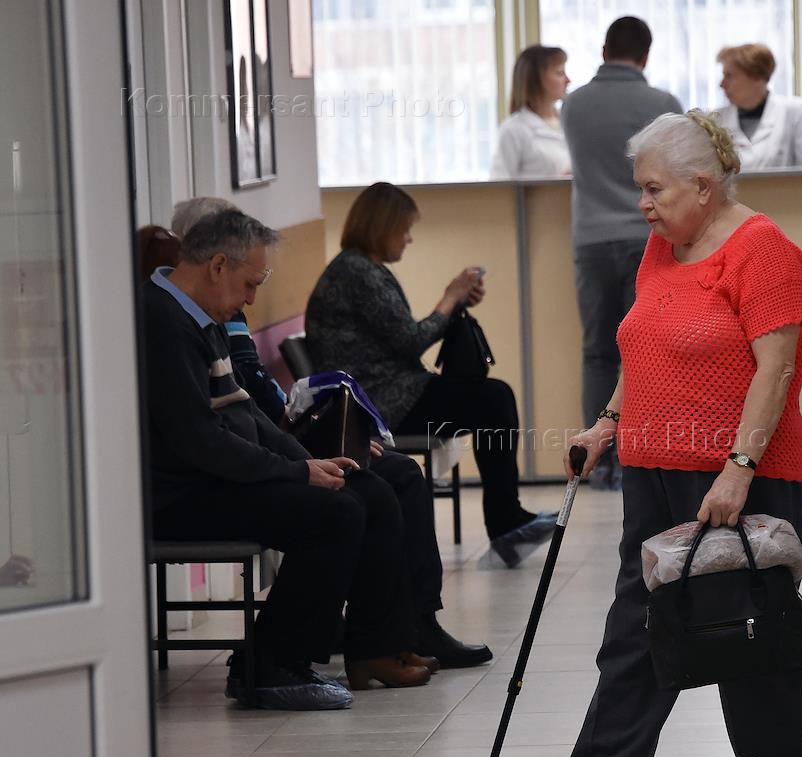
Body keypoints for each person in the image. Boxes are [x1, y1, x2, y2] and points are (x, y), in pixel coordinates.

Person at [505, 111, 802, 757]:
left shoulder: (766, 251)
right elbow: (643, 347)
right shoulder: (662, 248)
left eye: (654, 190)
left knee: (747, 635)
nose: (642, 204)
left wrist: (738, 469)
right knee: (637, 629)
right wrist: (606, 425)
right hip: (652, 474)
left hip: (738, 478)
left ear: (703, 186)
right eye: (640, 189)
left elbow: (776, 370)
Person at [165, 196, 493, 667]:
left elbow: (250, 409)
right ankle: (283, 663)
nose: (252, 300)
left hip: (249, 457)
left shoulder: (206, 315)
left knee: (387, 479)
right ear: (217, 263)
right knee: (346, 505)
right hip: (196, 490)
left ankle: (395, 635)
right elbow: (207, 438)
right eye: (250, 283)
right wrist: (300, 467)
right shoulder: (175, 321)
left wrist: (306, 454)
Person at [304, 182, 556, 568]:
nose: (408, 239)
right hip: (380, 402)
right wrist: (450, 298)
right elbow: (410, 341)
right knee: (492, 399)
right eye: (404, 228)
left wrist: (454, 302)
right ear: (382, 226)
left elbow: (402, 339)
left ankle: (507, 519)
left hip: (391, 390)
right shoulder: (357, 272)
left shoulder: (361, 269)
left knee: (493, 397)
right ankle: (505, 520)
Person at [561, 17, 683, 490]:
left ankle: (596, 461)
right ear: (645, 56)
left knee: (597, 353)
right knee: (646, 349)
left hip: (590, 240)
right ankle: (638, 457)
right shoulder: (663, 105)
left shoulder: (573, 105)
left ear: (603, 49)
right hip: (646, 237)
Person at [714, 44, 802, 170]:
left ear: (756, 76)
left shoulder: (795, 112)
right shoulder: (716, 120)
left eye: (729, 76)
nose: (722, 84)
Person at [491, 45, 572, 179]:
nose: (568, 80)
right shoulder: (514, 130)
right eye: (559, 73)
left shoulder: (570, 122)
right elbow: (500, 184)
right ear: (535, 80)